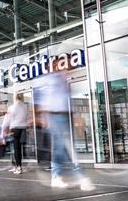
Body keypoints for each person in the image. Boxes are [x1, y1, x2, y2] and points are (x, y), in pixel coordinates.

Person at [39, 61, 95, 191]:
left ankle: (58, 176)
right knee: (65, 146)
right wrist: (44, 118)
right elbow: (45, 101)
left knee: (62, 147)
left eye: (58, 65)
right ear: (49, 68)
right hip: (55, 116)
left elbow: (65, 97)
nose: (57, 67)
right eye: (55, 65)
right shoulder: (48, 80)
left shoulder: (61, 79)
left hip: (64, 116)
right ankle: (79, 177)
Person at [1, 94, 28, 174]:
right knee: (21, 148)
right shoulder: (25, 106)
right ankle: (18, 166)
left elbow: (7, 119)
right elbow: (26, 116)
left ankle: (18, 167)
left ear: (15, 98)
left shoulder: (12, 107)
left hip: (15, 129)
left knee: (16, 148)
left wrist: (3, 129)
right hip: (23, 128)